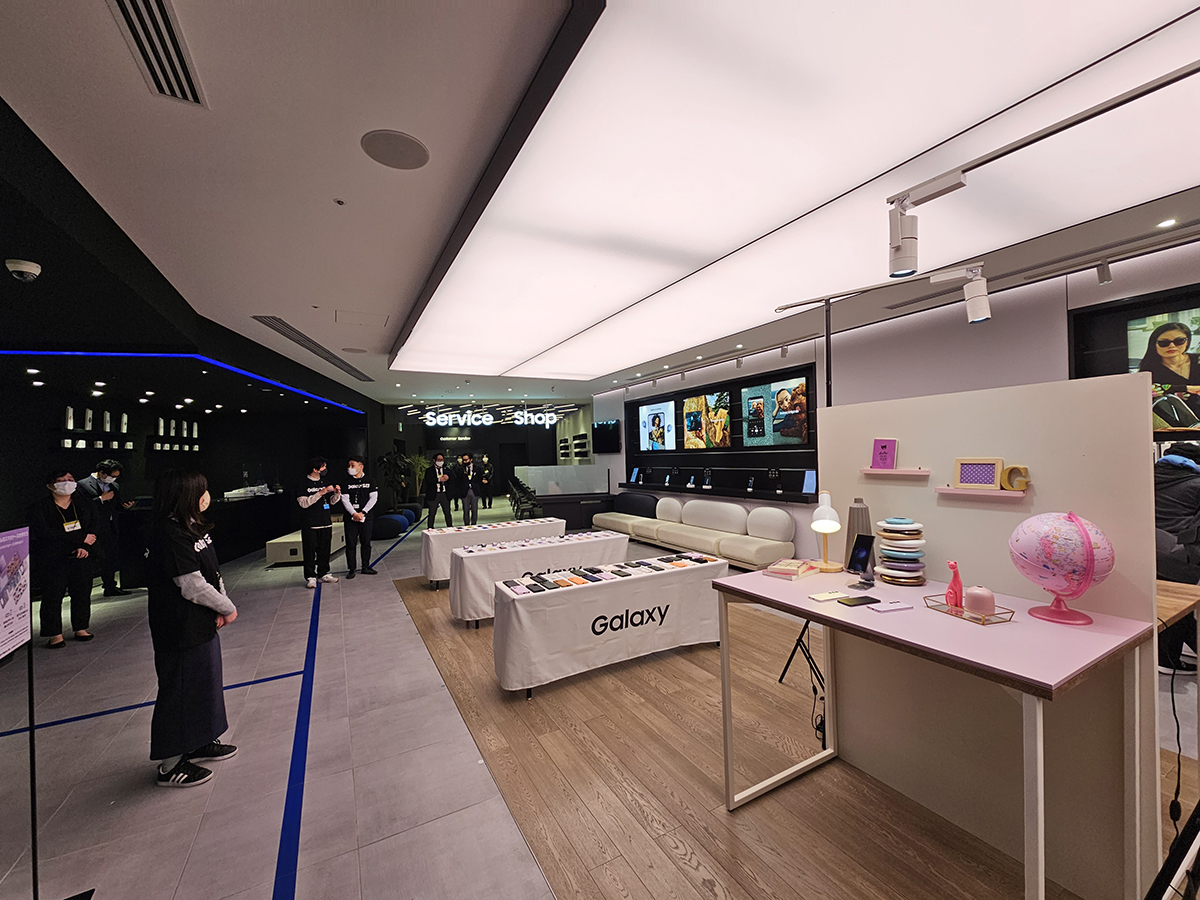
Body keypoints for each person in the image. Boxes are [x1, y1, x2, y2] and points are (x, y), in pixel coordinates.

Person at [147, 470, 238, 787]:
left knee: (204, 684)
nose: (206, 496)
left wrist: (221, 604)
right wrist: (227, 608)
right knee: (180, 690)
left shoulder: (193, 526)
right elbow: (191, 585)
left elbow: (212, 572)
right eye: (202, 490)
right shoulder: (169, 533)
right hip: (180, 627)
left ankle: (199, 740)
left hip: (203, 623)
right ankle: (171, 765)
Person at [28, 470, 97, 648]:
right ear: (50, 485)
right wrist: (79, 539)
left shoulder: (83, 504)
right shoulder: (41, 507)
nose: (67, 483)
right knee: (53, 595)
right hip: (53, 558)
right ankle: (54, 633)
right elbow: (44, 532)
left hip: (81, 555)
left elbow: (93, 528)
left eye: (70, 479)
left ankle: (81, 627)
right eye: (61, 480)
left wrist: (85, 545)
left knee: (82, 593)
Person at [1153, 442, 1200, 674]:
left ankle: (1166, 656)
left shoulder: (1147, 477)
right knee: (1182, 607)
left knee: (1166, 607)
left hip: (1149, 550)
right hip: (1181, 555)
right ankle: (1168, 659)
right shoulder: (1196, 485)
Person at [76, 459, 135, 597]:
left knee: (110, 558)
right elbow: (82, 507)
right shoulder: (83, 485)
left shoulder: (114, 485)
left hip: (110, 526)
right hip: (92, 528)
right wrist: (101, 499)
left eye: (116, 477)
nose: (113, 479)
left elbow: (115, 506)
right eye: (111, 476)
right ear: (101, 472)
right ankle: (83, 590)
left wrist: (125, 507)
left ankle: (110, 586)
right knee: (93, 559)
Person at [1139, 322, 1200, 420]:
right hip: (1176, 424)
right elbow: (1144, 392)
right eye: (1164, 343)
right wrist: (1187, 388)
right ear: (1154, 344)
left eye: (1179, 341)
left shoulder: (1198, 360)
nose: (1172, 346)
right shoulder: (1149, 370)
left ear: (1187, 342)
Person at [296, 457, 341, 589]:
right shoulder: (303, 483)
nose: (325, 469)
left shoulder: (325, 481)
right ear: (315, 469)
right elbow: (303, 503)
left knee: (325, 550)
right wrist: (320, 493)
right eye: (323, 467)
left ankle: (324, 573)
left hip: (325, 521)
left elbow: (332, 501)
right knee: (309, 551)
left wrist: (337, 493)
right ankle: (310, 576)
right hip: (310, 523)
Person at [340, 455, 378, 578]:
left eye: (353, 465)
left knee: (366, 542)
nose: (350, 468)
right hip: (351, 517)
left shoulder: (370, 480)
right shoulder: (345, 482)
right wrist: (354, 513)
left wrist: (363, 512)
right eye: (349, 465)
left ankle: (365, 566)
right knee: (350, 544)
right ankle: (351, 569)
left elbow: (373, 498)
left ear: (361, 466)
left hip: (366, 516)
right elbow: (344, 499)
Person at [423, 452, 452, 528]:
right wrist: (438, 479)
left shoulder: (447, 470)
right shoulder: (429, 470)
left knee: (447, 512)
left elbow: (453, 479)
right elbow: (427, 481)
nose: (440, 461)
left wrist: (448, 478)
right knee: (432, 513)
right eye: (439, 460)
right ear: (434, 460)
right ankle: (430, 528)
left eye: (442, 460)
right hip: (434, 494)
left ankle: (450, 527)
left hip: (444, 494)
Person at [460, 454, 482, 526]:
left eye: (466, 460)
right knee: (466, 510)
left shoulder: (478, 468)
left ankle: (474, 524)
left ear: (471, 459)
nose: (465, 461)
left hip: (474, 491)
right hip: (465, 491)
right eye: (463, 460)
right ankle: (466, 525)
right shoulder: (460, 469)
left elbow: (480, 479)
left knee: (474, 509)